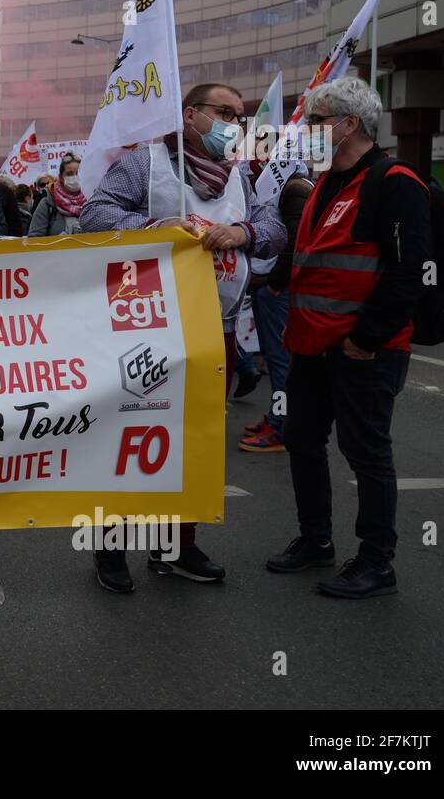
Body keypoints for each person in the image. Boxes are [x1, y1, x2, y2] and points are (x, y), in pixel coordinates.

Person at [80, 82, 285, 592]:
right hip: (144, 326)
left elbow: (275, 226)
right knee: (129, 437)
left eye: (239, 117)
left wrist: (245, 234)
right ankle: (109, 546)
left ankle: (177, 546)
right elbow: (95, 214)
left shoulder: (242, 171)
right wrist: (157, 226)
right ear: (190, 115)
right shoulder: (146, 163)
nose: (233, 125)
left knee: (194, 441)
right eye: (223, 113)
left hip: (215, 328)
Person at [265, 76, 430, 599]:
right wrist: (263, 280)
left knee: (367, 454)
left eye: (316, 121)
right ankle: (316, 541)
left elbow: (411, 271)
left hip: (364, 350)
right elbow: (306, 255)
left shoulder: (394, 181)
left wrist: (367, 337)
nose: (309, 131)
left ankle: (378, 562)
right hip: (312, 344)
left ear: (348, 124)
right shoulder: (324, 182)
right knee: (302, 441)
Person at [239, 160, 313, 452]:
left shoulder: (293, 189)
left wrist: (274, 284)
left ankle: (281, 426)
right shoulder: (291, 187)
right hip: (273, 287)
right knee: (278, 359)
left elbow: (294, 243)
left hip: (276, 289)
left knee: (279, 361)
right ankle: (277, 416)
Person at [28, 153, 86, 236]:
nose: (75, 177)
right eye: (69, 174)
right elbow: (34, 238)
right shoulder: (47, 204)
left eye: (78, 173)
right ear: (61, 177)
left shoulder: (91, 200)